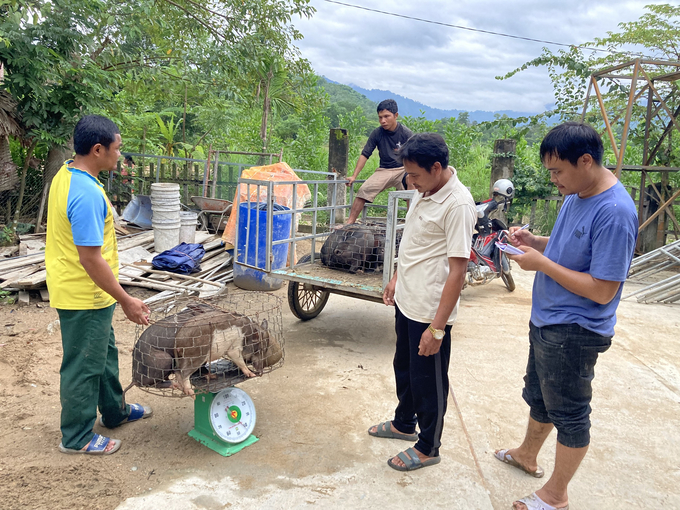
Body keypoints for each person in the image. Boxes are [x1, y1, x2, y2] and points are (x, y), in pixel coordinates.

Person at [497, 122, 638, 510]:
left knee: (571, 413)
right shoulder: (577, 192)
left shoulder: (615, 213)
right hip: (548, 320)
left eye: (558, 171)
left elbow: (603, 288)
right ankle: (527, 454)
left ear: (586, 161)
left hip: (574, 331)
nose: (554, 179)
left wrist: (541, 263)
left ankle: (555, 496)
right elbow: (567, 247)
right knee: (540, 396)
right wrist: (535, 243)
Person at [46, 115, 152, 456]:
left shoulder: (69, 172)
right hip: (83, 294)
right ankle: (76, 438)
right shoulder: (87, 194)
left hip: (90, 292)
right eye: (117, 148)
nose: (119, 155)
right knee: (83, 364)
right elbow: (90, 258)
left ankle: (114, 411)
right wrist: (126, 300)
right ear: (97, 150)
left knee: (104, 355)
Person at [371, 133, 475, 471]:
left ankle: (429, 446)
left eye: (415, 175)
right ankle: (404, 422)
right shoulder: (424, 189)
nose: (410, 182)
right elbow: (415, 241)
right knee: (404, 368)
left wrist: (438, 328)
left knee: (429, 382)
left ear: (437, 167)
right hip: (407, 299)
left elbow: (458, 271)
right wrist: (398, 276)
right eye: (408, 175)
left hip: (431, 310)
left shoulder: (457, 204)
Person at [345, 99, 413, 224]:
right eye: (380, 117)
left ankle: (410, 223)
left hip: (403, 169)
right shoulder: (377, 133)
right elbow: (365, 154)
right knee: (363, 190)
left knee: (411, 185)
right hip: (385, 169)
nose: (383, 121)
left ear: (396, 115)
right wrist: (354, 176)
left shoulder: (406, 133)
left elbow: (416, 155)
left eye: (386, 116)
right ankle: (349, 223)